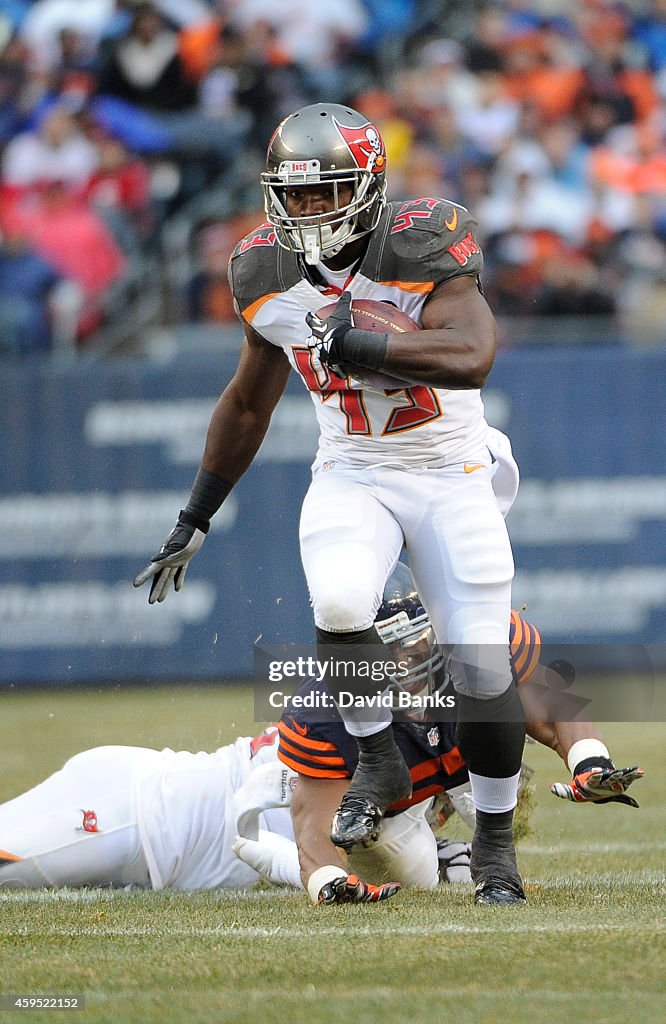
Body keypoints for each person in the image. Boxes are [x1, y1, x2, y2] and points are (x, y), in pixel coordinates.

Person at [133, 102, 555, 906]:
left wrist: (366, 345)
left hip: (448, 467)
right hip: (353, 466)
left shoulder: (423, 238)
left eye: (328, 192)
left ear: (368, 187)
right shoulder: (263, 270)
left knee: (479, 659)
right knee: (337, 597)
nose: (311, 210)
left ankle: (494, 848)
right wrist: (196, 513)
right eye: (297, 195)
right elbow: (248, 404)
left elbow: (473, 353)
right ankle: (377, 759)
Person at [0, 569, 643, 901]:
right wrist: (322, 881)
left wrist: (590, 757)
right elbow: (299, 835)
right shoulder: (332, 713)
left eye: (421, 646)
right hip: (149, 817)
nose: (412, 667)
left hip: (182, 857)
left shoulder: (474, 648)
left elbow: (548, 705)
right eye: (392, 657)